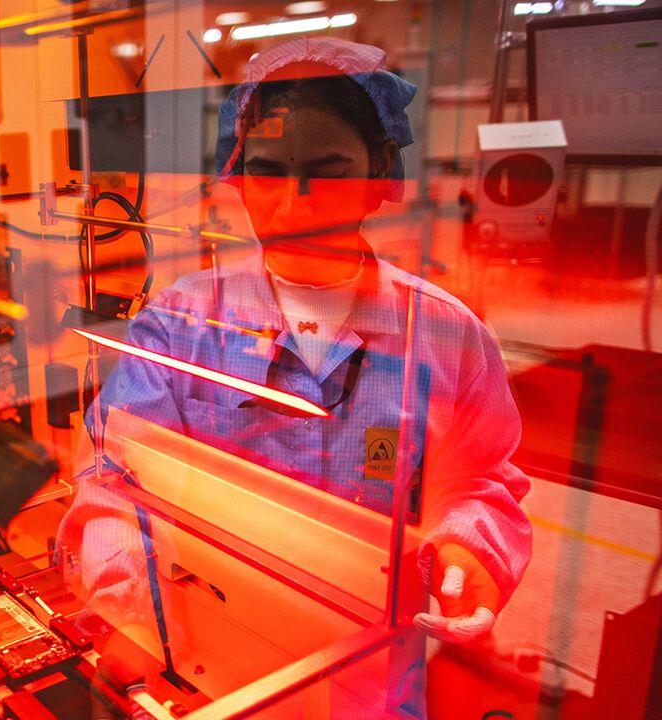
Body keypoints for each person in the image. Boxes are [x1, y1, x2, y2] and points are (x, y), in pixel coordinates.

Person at [56, 38, 532, 717]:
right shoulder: (184, 323)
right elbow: (113, 475)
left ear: (381, 176)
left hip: (367, 681)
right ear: (237, 175)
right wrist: (125, 606)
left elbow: (480, 481)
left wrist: (467, 550)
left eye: (327, 171)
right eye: (268, 171)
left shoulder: (445, 335)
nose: (291, 203)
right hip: (204, 672)